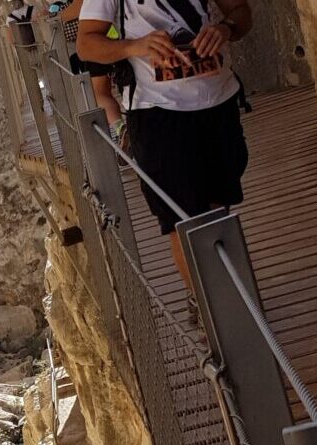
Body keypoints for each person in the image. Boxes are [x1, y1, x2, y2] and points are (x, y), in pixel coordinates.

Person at [75, 0, 253, 292]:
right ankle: (209, 306)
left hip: (217, 101)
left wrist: (225, 29)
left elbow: (241, 11)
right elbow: (86, 44)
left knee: (218, 208)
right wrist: (135, 46)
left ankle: (226, 298)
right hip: (157, 113)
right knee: (182, 218)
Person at [50, 0, 125, 141]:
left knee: (100, 93)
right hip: (117, 37)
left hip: (99, 43)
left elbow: (82, 4)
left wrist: (57, 18)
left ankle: (120, 128)